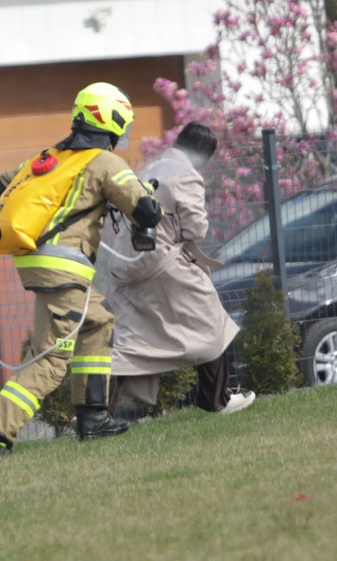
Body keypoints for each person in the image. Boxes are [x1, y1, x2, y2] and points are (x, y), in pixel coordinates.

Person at [0, 82, 164, 460]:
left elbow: (7, 181)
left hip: (38, 258)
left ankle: (93, 418)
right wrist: (144, 190)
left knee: (98, 322)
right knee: (51, 359)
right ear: (111, 119)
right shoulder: (105, 161)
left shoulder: (52, 156)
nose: (123, 132)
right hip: (64, 265)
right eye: (123, 123)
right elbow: (146, 212)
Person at [105, 121, 255, 417]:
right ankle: (217, 400)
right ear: (205, 154)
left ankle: (96, 410)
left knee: (129, 339)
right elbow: (195, 229)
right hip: (160, 264)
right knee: (212, 321)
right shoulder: (187, 174)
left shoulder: (152, 167)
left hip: (125, 266)